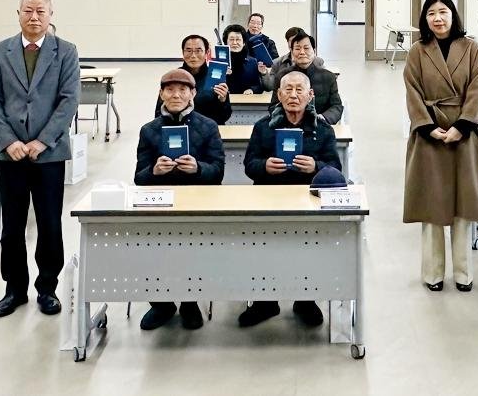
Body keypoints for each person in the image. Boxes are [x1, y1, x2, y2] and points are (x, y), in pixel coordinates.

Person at [0, 0, 80, 318]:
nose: (34, 17)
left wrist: (43, 141)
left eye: (41, 11)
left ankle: (47, 288)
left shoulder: (65, 51)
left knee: (49, 223)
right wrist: (8, 140)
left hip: (48, 154)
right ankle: (14, 289)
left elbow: (68, 100)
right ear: (19, 14)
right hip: (9, 154)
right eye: (28, 11)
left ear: (51, 14)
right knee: (12, 226)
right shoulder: (0, 52)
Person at [239, 71, 342, 327]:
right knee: (265, 250)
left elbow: (335, 168)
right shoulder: (263, 126)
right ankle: (265, 302)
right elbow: (249, 165)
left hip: (307, 203)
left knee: (306, 250)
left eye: (299, 90)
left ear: (310, 95)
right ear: (278, 94)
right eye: (288, 89)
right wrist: (264, 166)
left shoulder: (322, 129)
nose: (293, 95)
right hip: (268, 200)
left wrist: (315, 166)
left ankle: (305, 300)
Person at [404, 0, 478, 293]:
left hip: (464, 135)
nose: (437, 18)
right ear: (424, 19)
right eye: (431, 13)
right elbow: (412, 91)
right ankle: (433, 273)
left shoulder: (472, 48)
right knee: (432, 207)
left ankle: (464, 273)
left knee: (463, 207)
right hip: (429, 135)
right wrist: (428, 127)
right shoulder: (417, 51)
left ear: (453, 14)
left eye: (443, 12)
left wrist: (463, 125)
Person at [135, 69, 225, 330]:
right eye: (170, 90)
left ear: (193, 93)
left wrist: (198, 168)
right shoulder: (149, 130)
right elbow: (139, 177)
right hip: (160, 204)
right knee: (153, 249)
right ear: (161, 93)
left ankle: (189, 302)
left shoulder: (208, 127)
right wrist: (154, 171)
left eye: (182, 90)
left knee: (191, 249)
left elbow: (218, 172)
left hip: (197, 202)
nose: (176, 95)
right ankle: (161, 304)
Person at [154, 34, 231, 125]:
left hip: (208, 130)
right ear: (183, 53)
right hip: (180, 129)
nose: (193, 55)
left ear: (207, 52)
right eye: (189, 50)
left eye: (198, 51)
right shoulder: (173, 78)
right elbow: (159, 114)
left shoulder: (215, 76)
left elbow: (225, 116)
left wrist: (223, 100)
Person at [270, 32, 343, 124]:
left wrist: (323, 118)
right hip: (289, 125)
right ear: (292, 52)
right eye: (297, 48)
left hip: (319, 126)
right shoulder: (282, 76)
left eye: (306, 48)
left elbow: (336, 106)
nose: (302, 52)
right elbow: (273, 106)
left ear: (314, 51)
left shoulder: (328, 77)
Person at [260, 27, 324, 91]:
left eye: (298, 40)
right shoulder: (277, 62)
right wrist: (264, 73)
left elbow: (323, 84)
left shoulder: (317, 61)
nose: (294, 43)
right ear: (288, 42)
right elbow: (270, 87)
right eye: (292, 40)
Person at [224, 24, 263, 94]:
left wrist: (251, 90)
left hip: (245, 99)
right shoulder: (220, 62)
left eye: (238, 39)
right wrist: (223, 75)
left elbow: (259, 86)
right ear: (226, 42)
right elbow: (211, 86)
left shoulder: (252, 62)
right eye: (231, 39)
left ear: (244, 43)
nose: (235, 43)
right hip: (225, 99)